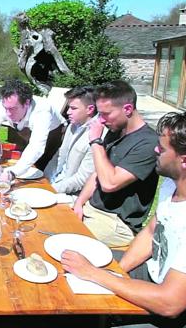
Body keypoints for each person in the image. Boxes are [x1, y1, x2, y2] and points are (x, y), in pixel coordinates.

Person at [62, 109, 186, 328]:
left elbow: (170, 303)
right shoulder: (176, 182)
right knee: (69, 261)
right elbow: (152, 232)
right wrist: (117, 271)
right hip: (157, 274)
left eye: (163, 148)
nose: (155, 149)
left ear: (185, 161)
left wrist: (95, 274)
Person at [72, 80, 159, 247]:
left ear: (127, 109)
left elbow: (109, 183)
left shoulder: (148, 144)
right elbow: (98, 173)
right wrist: (79, 202)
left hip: (117, 223)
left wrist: (96, 141)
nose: (101, 120)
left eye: (106, 114)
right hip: (93, 209)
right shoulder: (116, 131)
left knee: (65, 236)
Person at [0, 79, 65, 181]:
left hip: (54, 137)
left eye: (13, 109)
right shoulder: (7, 103)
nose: (8, 114)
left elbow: (36, 147)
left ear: (27, 103)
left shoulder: (42, 111)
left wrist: (13, 172)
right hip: (26, 133)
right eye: (6, 109)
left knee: (43, 175)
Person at [44, 86, 103, 201]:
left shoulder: (97, 135)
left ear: (90, 109)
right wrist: (44, 179)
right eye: (68, 107)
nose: (68, 112)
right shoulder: (73, 125)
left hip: (70, 195)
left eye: (73, 108)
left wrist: (51, 189)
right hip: (52, 183)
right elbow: (59, 155)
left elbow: (82, 179)